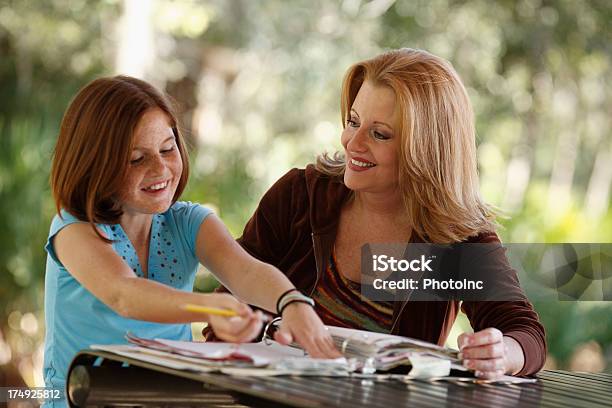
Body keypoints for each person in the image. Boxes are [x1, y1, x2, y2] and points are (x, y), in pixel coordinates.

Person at [207, 48, 546, 378]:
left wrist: (502, 353)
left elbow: (524, 334)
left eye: (379, 134)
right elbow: (230, 296)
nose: (351, 142)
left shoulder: (455, 240)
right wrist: (236, 325)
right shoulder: (300, 198)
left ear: (425, 150)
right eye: (353, 121)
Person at [43, 76, 339, 403]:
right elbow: (123, 294)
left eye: (167, 149)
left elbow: (246, 271)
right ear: (94, 164)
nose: (161, 168)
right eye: (137, 159)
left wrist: (292, 302)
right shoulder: (75, 228)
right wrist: (208, 307)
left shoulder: (187, 222)